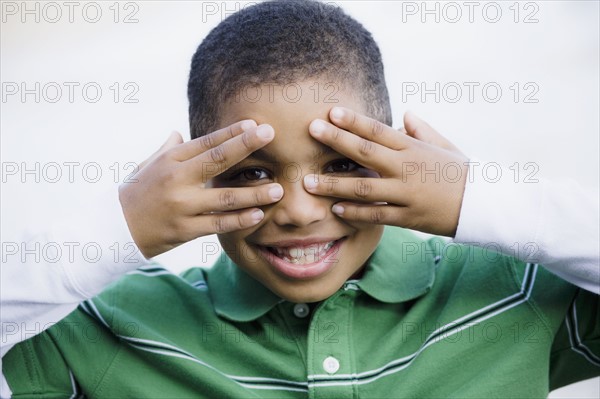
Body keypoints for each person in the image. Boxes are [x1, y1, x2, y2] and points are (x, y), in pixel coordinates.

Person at [2, 0, 598, 397]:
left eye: (342, 166)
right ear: (195, 175)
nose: (297, 209)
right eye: (249, 173)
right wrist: (121, 228)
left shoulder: (515, 291)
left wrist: (478, 197)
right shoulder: (118, 328)